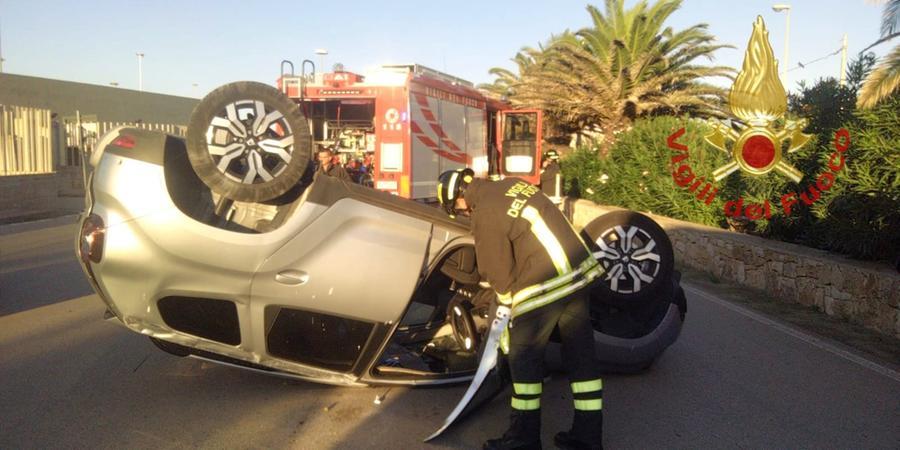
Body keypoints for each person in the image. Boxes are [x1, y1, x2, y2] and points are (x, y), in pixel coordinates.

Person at [437, 169, 606, 450]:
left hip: (545, 285)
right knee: (581, 359)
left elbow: (498, 271)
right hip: (578, 276)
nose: (462, 214)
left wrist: (504, 311)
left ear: (460, 199)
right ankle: (588, 438)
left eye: (457, 209)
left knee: (523, 360)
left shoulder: (484, 213)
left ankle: (523, 439)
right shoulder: (512, 185)